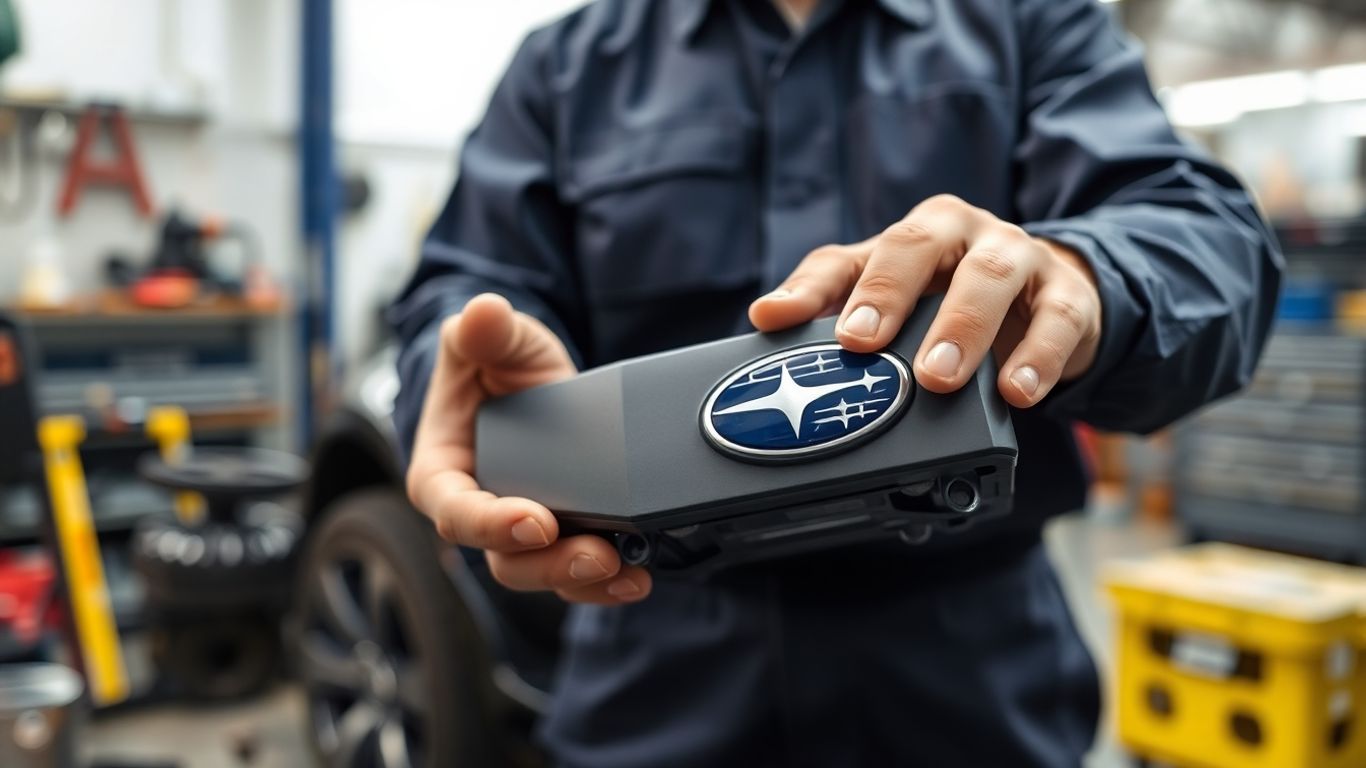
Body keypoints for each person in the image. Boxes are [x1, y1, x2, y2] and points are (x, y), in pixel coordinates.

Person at [390, 0, 1282, 764]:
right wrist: (471, 375)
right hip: (653, 649)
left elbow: (1211, 243)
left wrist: (1081, 280)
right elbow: (461, 287)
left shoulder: (1027, 21)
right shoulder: (565, 66)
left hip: (973, 659)